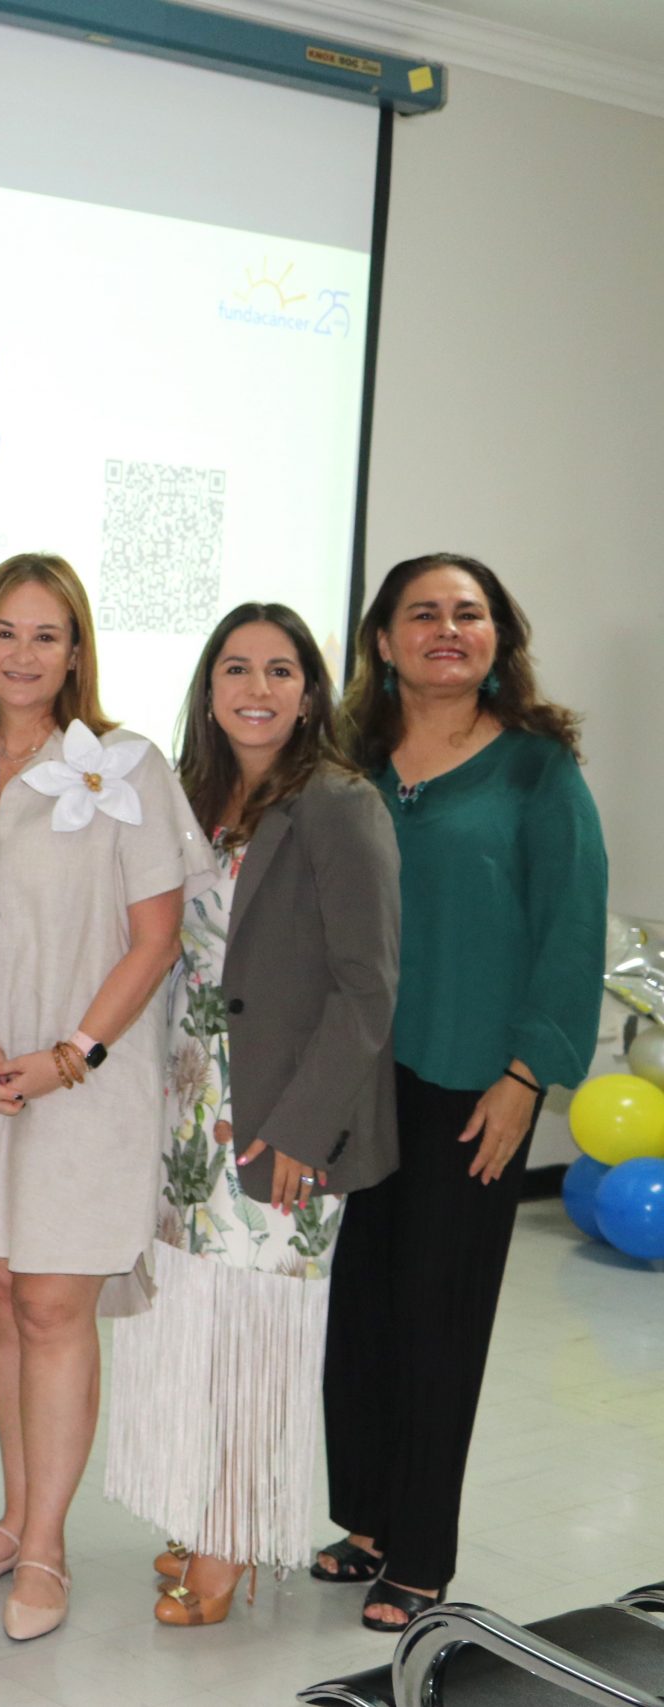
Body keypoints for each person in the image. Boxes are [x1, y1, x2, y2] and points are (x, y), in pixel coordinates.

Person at [316, 553, 605, 1632]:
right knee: (361, 1312)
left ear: (498, 638)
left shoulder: (537, 770)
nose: (447, 628)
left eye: (469, 613)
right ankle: (367, 1520)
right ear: (383, 641)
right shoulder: (347, 762)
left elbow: (572, 927)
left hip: (474, 1087)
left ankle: (422, 1552)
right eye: (423, 613)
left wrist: (528, 1076)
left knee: (439, 1317)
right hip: (357, 1081)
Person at [0, 553, 208, 1641]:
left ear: (77, 649)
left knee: (52, 1303)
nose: (23, 653)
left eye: (46, 634)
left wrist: (71, 1053)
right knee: (1, 1293)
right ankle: (9, 1521)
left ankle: (45, 1547)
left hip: (87, 1074)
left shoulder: (126, 766)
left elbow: (155, 938)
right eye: (5, 631)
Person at [104, 602, 400, 1626]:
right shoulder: (191, 797)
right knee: (198, 1321)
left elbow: (367, 989)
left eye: (280, 670)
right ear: (209, 688)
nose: (257, 688)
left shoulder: (339, 802)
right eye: (236, 668)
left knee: (260, 1336)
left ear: (309, 692)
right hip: (188, 1109)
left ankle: (233, 1536)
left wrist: (303, 1129)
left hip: (282, 1119)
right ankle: (204, 1507)